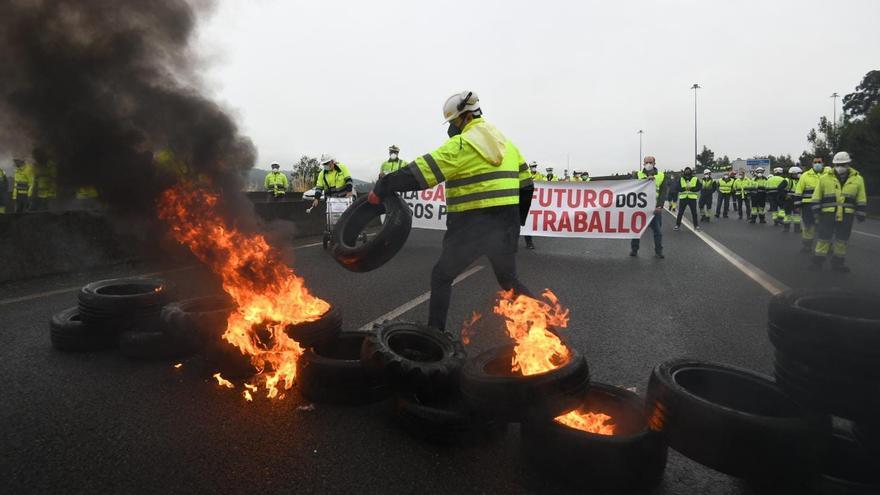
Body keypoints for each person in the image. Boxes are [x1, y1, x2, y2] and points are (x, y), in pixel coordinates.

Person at [369, 90, 534, 332]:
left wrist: (382, 187)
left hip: (472, 226)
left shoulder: (462, 145)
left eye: (452, 122)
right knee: (509, 280)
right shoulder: (509, 146)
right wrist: (515, 223)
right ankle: (548, 329)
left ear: (464, 118)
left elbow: (420, 172)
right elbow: (527, 186)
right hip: (505, 225)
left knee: (442, 276)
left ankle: (435, 336)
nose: (451, 128)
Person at [808, 151, 866, 272]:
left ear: (848, 164)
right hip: (827, 214)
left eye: (843, 164)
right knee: (823, 238)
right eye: (838, 164)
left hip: (846, 214)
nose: (840, 167)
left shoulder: (858, 179)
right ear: (834, 164)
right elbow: (816, 196)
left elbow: (861, 198)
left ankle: (838, 263)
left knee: (842, 240)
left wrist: (861, 213)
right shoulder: (824, 178)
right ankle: (817, 262)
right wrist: (816, 211)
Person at [630, 155, 667, 258]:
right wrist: (645, 180)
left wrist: (659, 206)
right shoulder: (637, 174)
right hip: (640, 207)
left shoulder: (661, 175)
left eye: (650, 162)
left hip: (654, 208)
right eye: (646, 162)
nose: (648, 164)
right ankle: (634, 249)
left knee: (657, 231)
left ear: (654, 163)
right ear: (643, 164)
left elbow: (663, 192)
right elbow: (631, 187)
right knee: (636, 230)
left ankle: (658, 251)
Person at [794, 157, 825, 253]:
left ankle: (826, 246)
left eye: (819, 162)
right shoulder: (805, 175)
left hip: (823, 206)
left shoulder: (828, 175)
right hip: (808, 205)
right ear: (812, 164)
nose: (817, 164)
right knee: (808, 227)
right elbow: (798, 191)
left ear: (823, 163)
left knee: (824, 227)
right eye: (815, 162)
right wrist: (797, 205)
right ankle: (807, 246)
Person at [524, 162, 544, 250]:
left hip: (536, 201)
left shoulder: (540, 175)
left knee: (529, 221)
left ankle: (529, 243)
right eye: (532, 166)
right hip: (526, 199)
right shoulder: (526, 174)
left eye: (535, 166)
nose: (534, 168)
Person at [674, 167, 701, 231]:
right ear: (684, 172)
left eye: (688, 171)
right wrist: (684, 189)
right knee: (680, 212)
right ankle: (677, 225)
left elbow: (699, 187)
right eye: (686, 171)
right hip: (683, 198)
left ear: (690, 172)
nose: (687, 172)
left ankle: (696, 226)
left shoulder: (695, 179)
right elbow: (677, 188)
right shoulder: (681, 179)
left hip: (692, 198)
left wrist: (691, 189)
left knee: (694, 213)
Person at [781, 166, 801, 233]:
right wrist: (785, 195)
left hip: (797, 200)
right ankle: (786, 228)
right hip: (789, 200)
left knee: (797, 215)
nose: (797, 175)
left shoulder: (801, 181)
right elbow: (780, 188)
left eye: (798, 173)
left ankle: (797, 229)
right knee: (787, 215)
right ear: (792, 174)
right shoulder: (787, 180)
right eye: (796, 174)